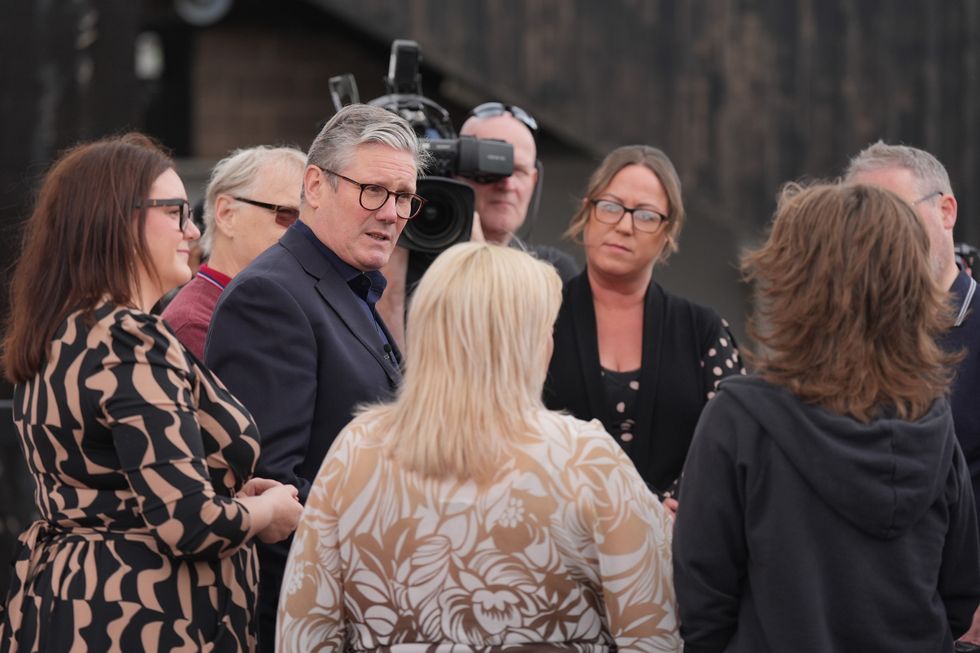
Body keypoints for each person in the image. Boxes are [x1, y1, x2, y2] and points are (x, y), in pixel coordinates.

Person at [276, 242, 681, 652]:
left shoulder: (357, 450)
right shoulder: (585, 459)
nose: (550, 346)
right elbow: (654, 632)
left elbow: (305, 631)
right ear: (523, 344)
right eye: (547, 331)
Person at [0, 133, 303, 651]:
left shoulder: (64, 330)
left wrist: (226, 490)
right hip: (142, 616)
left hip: (75, 600)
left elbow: (122, 486)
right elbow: (189, 522)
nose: (192, 229)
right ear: (119, 220)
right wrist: (267, 513)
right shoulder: (130, 339)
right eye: (176, 211)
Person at [673, 183, 980, 652]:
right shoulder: (933, 419)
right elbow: (958, 597)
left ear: (796, 281)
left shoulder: (739, 418)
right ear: (907, 288)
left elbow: (703, 606)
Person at [206, 104, 426, 652]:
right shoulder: (272, 295)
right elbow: (271, 488)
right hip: (308, 619)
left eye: (404, 198)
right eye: (373, 190)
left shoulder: (348, 283)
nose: (392, 212)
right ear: (315, 185)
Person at [544, 145, 742, 503]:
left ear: (668, 232)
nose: (623, 226)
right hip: (557, 537)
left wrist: (676, 508)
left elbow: (734, 441)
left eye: (646, 216)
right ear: (587, 211)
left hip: (677, 539)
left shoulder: (704, 332)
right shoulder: (539, 318)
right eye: (610, 207)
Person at [845, 141, 980, 646]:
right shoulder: (842, 337)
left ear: (947, 211)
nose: (879, 236)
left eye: (895, 214)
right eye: (861, 221)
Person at [162, 145, 306, 358]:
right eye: (286, 215)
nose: (301, 234)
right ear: (227, 214)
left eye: (307, 223)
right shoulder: (193, 324)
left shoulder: (281, 308)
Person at [459, 102, 579, 281]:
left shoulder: (553, 272)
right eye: (492, 168)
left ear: (533, 181)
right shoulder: (415, 257)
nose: (507, 184)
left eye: (519, 171)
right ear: (456, 172)